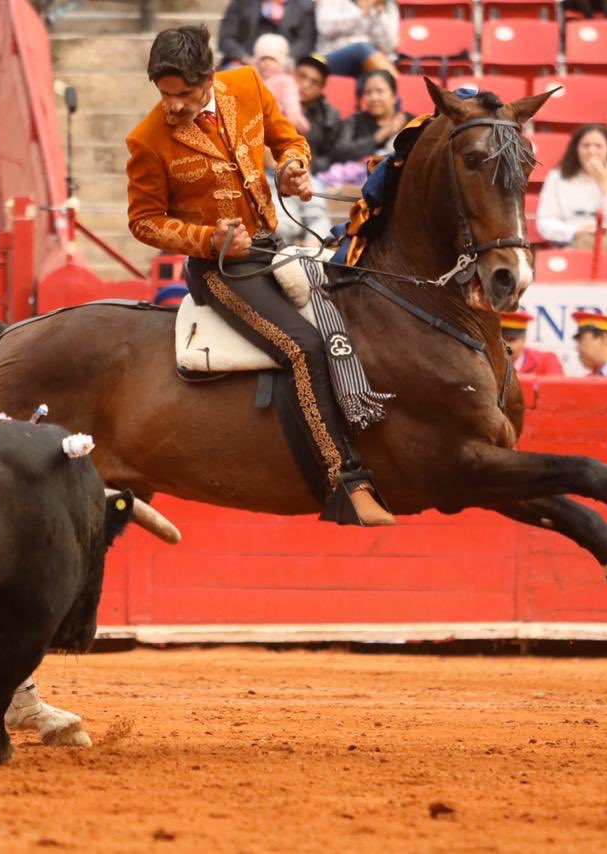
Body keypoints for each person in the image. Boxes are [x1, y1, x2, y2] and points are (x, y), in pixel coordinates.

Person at [125, 24, 394, 526]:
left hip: (273, 246)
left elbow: (288, 139)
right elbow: (142, 222)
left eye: (183, 95)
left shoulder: (246, 85)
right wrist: (209, 239)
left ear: (208, 80)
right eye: (164, 95)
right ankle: (345, 482)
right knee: (302, 346)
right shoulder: (147, 139)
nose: (173, 106)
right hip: (221, 268)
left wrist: (294, 166)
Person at [536, 124, 607, 255]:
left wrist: (605, 185)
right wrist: (574, 232)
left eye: (598, 146)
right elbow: (545, 221)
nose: (591, 152)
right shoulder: (557, 177)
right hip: (572, 243)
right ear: (576, 149)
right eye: (586, 146)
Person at [275, 53, 342, 244]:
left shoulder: (329, 116)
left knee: (318, 219)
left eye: (313, 82)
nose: (305, 85)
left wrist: (307, 164)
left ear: (321, 89)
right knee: (285, 225)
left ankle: (314, 255)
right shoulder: (273, 104)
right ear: (292, 75)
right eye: (302, 77)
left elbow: (331, 155)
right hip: (273, 173)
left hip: (309, 175)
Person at [321, 69, 413, 186]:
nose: (373, 97)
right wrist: (377, 137)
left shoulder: (410, 122)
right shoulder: (354, 121)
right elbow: (339, 152)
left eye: (380, 91)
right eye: (368, 92)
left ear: (394, 96)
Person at [218, 0, 318, 67]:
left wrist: (281, 62)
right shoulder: (241, 2)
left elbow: (306, 42)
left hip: (285, 65)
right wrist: (245, 58)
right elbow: (226, 38)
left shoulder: (305, 6)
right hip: (243, 62)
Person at [315, 0, 399, 78]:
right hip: (330, 57)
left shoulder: (387, 5)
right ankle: (401, 89)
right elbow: (325, 27)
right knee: (361, 49)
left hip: (369, 61)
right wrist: (362, 13)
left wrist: (378, 14)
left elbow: (389, 47)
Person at [253, 34, 309, 133]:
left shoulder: (286, 81)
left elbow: (292, 105)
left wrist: (294, 119)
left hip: (278, 123)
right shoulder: (254, 78)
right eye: (263, 59)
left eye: (272, 59)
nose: (267, 63)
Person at [500, 311, 564, 376]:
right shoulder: (491, 364)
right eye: (501, 340)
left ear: (523, 339)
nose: (506, 345)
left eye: (511, 340)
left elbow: (558, 384)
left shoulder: (547, 361)